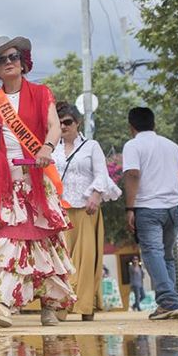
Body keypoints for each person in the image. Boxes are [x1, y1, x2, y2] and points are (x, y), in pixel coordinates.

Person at [0, 36, 75, 328]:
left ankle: (50, 305)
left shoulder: (41, 92)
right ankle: (0, 303)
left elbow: (53, 126)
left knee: (46, 243)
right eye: (1, 60)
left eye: (13, 56)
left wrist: (47, 148)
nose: (9, 62)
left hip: (37, 179)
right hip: (7, 184)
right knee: (7, 240)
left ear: (23, 60)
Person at [52, 101, 121, 322]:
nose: (64, 126)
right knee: (61, 260)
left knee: (86, 259)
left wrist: (95, 195)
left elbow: (101, 174)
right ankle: (60, 306)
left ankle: (85, 305)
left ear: (78, 123)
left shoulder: (91, 146)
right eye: (59, 123)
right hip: (60, 211)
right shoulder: (52, 148)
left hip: (85, 210)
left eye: (68, 122)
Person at [122, 107, 178, 320]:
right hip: (174, 207)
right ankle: (167, 303)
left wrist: (130, 208)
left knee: (152, 253)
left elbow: (133, 175)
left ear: (131, 127)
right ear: (154, 124)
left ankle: (170, 301)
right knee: (167, 256)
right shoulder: (172, 146)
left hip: (148, 208)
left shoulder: (133, 146)